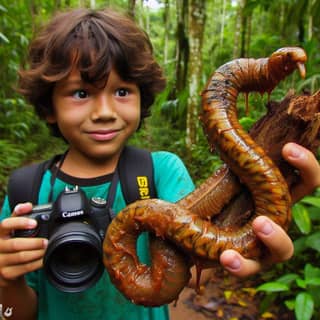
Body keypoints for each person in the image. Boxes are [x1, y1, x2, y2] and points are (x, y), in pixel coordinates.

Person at [0, 7, 319, 320]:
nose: (105, 111)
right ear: (48, 106)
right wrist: (6, 279)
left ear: (142, 97)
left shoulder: (162, 171)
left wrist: (252, 226)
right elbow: (12, 314)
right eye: (81, 93)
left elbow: (195, 273)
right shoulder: (26, 193)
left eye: (122, 91)